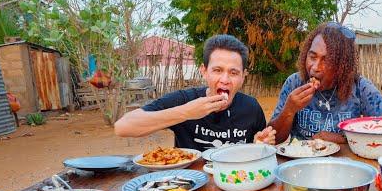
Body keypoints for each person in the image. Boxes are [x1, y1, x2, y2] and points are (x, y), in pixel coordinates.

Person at [114, 34, 276, 150]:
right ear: (204, 71)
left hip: (235, 182)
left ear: (243, 77)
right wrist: (186, 112)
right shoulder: (184, 99)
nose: (225, 79)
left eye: (233, 73)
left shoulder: (250, 107)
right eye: (217, 70)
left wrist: (261, 143)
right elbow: (123, 127)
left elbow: (259, 146)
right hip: (190, 187)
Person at [268, 22, 382, 145]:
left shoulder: (359, 87)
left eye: (326, 60)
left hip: (346, 163)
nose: (315, 67)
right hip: (301, 162)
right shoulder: (294, 83)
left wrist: (343, 138)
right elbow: (274, 138)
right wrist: (289, 110)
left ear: (341, 66)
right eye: (312, 57)